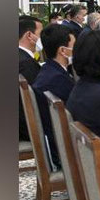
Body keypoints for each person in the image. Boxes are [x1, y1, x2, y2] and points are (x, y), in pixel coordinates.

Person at [33, 24, 76, 170]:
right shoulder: (56, 80)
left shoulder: (49, 70)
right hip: (61, 151)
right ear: (63, 51)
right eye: (74, 46)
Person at [19, 15, 43, 141]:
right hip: (27, 128)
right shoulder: (26, 63)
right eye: (40, 34)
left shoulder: (23, 57)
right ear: (29, 35)